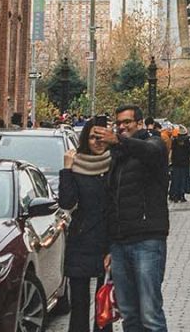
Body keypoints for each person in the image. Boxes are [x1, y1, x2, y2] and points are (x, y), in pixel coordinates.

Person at [90, 104, 170, 332]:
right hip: (120, 243)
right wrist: (109, 246)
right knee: (129, 314)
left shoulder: (153, 144)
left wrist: (118, 141)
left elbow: (152, 152)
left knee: (150, 314)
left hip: (147, 240)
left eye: (127, 122)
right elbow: (110, 202)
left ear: (140, 123)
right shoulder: (118, 157)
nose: (122, 126)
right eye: (119, 123)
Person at [58, 120, 113, 332]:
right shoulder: (76, 165)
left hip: (108, 241)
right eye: (92, 137)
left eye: (101, 136)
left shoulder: (115, 164)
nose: (97, 142)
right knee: (79, 304)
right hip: (81, 241)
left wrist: (113, 246)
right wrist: (67, 170)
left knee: (104, 304)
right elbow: (67, 202)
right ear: (84, 140)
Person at [167, 123, 190, 203]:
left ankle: (175, 196)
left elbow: (172, 151)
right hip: (185, 164)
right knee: (184, 179)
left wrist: (170, 160)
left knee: (176, 179)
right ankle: (182, 195)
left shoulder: (175, 141)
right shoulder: (187, 142)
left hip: (176, 163)